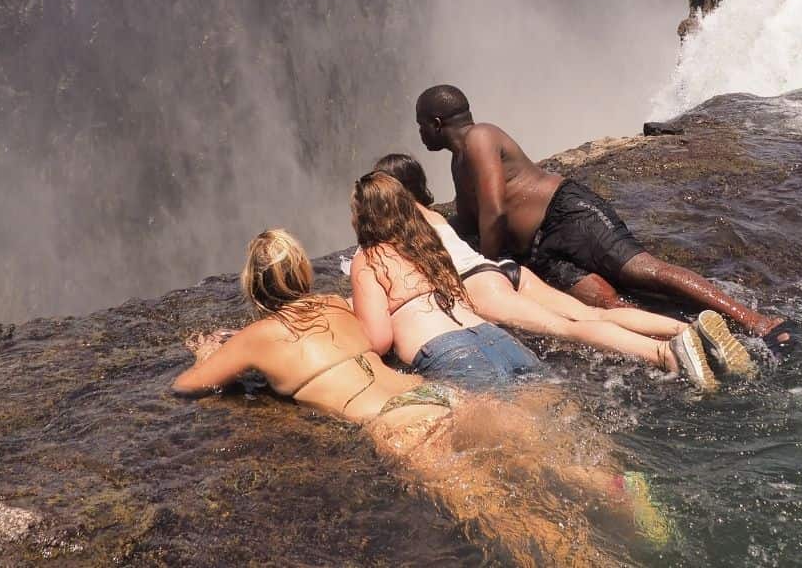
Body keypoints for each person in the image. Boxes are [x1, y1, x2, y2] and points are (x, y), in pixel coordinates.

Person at [172, 227, 672, 563]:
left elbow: (189, 387)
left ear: (255, 287)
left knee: (504, 513)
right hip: (439, 395)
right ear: (302, 273)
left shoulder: (253, 338)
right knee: (540, 460)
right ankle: (617, 490)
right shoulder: (332, 304)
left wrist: (205, 351)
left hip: (397, 424)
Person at [415, 83, 796, 359]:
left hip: (566, 215)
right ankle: (686, 344)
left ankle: (757, 322)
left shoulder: (481, 137)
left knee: (646, 271)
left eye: (421, 127)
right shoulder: (458, 161)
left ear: (435, 123)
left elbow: (494, 211)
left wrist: (492, 267)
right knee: (606, 305)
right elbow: (469, 224)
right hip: (541, 252)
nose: (420, 135)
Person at [372, 153, 722, 389]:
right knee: (589, 314)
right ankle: (689, 329)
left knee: (568, 328)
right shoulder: (433, 215)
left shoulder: (397, 226)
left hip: (475, 286)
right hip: (503, 270)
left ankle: (664, 354)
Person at [348, 171, 547, 390]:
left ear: (362, 217)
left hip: (450, 352)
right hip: (498, 339)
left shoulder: (368, 259)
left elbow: (379, 340)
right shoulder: (427, 245)